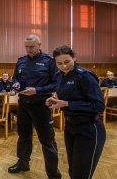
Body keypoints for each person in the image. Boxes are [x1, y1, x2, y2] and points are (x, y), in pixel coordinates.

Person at [46, 45, 106, 179]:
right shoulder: (59, 76)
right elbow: (69, 98)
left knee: (82, 174)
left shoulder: (85, 76)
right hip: (71, 127)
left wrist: (67, 104)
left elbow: (99, 105)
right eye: (59, 63)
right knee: (73, 170)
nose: (63, 66)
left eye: (67, 62)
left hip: (89, 128)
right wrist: (55, 100)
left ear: (74, 57)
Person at [8, 34, 61, 179]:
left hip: (41, 106)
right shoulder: (21, 61)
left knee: (47, 140)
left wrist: (37, 90)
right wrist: (15, 84)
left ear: (39, 45)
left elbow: (57, 84)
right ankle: (23, 163)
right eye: (26, 46)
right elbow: (15, 79)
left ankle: (53, 173)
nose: (29, 49)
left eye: (31, 47)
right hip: (23, 104)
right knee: (23, 136)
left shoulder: (49, 61)